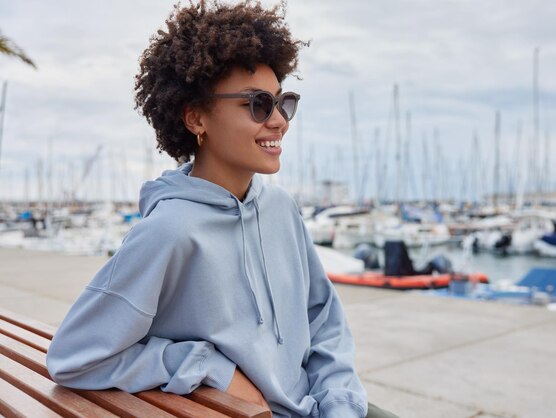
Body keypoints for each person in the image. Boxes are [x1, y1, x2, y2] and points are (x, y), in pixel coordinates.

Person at [46, 2, 398, 417]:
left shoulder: (282, 208)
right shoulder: (169, 231)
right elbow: (74, 356)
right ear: (196, 118)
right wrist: (206, 366)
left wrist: (339, 403)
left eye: (283, 103)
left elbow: (323, 321)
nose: (280, 121)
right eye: (258, 105)